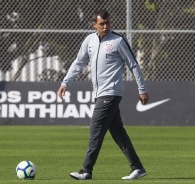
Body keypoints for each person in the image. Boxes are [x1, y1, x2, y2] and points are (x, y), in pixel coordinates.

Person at [57, 9, 149, 180]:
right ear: (94, 25)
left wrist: (142, 89)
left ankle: (86, 170)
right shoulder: (89, 41)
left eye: (107, 23)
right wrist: (65, 82)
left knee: (96, 130)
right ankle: (137, 168)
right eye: (101, 24)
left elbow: (134, 65)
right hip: (99, 93)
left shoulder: (118, 41)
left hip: (111, 92)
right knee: (118, 132)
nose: (105, 26)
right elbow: (79, 63)